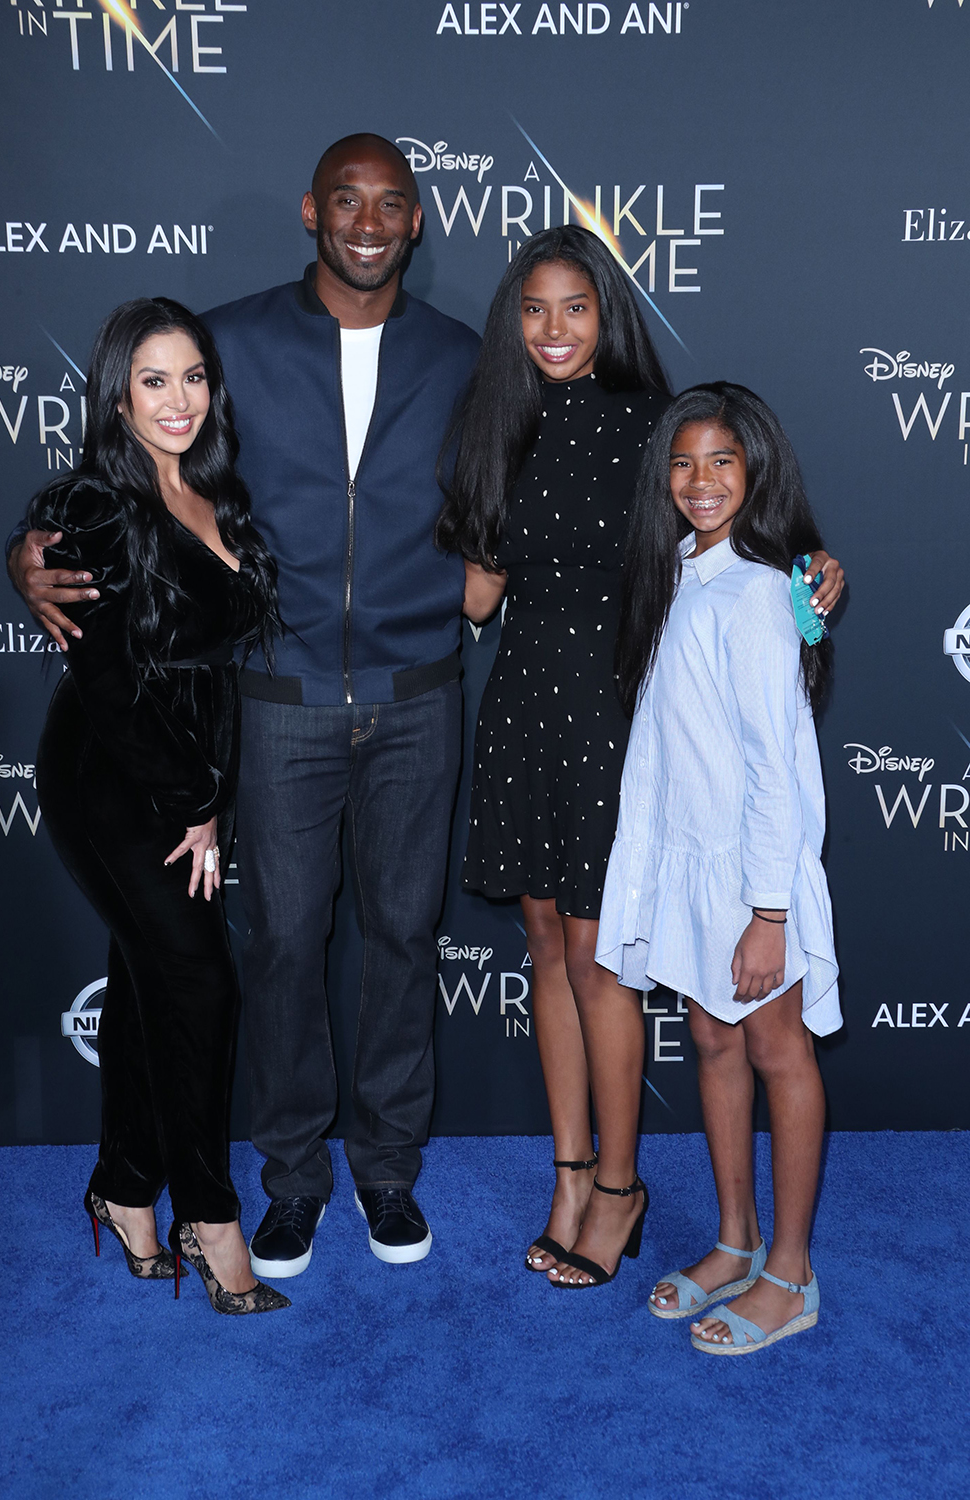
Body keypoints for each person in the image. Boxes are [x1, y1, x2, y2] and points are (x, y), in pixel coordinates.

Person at [9, 135, 480, 1275]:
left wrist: (780, 556)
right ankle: (291, 1179)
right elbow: (127, 459)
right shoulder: (231, 339)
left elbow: (572, 457)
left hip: (419, 695)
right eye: (347, 201)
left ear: (417, 221)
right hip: (275, 699)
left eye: (393, 204)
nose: (368, 222)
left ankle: (386, 1171)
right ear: (311, 211)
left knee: (406, 942)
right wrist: (28, 555)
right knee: (276, 947)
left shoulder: (468, 355)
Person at [436, 227, 844, 1289]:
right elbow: (478, 596)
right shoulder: (495, 423)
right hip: (522, 702)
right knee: (542, 945)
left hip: (619, 712)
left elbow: (728, 532)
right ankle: (569, 1172)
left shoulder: (646, 428)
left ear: (607, 312)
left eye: (575, 306)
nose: (555, 329)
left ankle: (619, 1186)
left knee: (597, 953)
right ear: (510, 322)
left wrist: (807, 579)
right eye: (534, 309)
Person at [28, 298, 288, 1314]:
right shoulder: (95, 505)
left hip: (189, 778)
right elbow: (110, 684)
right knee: (200, 984)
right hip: (113, 775)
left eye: (192, 378)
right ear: (117, 396)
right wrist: (194, 803)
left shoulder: (213, 491)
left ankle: (127, 1188)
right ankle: (209, 1215)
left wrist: (210, 797)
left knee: (148, 975)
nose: (177, 400)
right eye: (153, 381)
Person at [598, 382, 841, 1348]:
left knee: (780, 1050)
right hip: (690, 868)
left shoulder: (758, 592)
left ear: (757, 472)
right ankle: (736, 1244)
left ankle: (791, 1271)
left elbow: (774, 765)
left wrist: (769, 912)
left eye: (723, 462)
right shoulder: (679, 577)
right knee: (713, 1044)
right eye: (683, 463)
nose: (700, 481)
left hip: (753, 880)